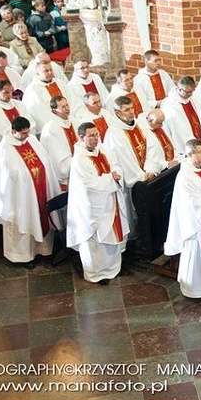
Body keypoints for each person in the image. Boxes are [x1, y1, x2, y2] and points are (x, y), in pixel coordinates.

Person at [0, 116, 61, 268]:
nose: (26, 135)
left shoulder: (31, 140)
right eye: (23, 133)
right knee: (24, 220)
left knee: (39, 214)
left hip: (38, 189)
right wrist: (26, 177)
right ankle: (22, 256)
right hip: (20, 197)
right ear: (13, 131)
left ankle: (43, 250)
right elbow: (9, 175)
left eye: (28, 132)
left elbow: (45, 161)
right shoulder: (5, 148)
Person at [67, 122, 128, 285]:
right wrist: (111, 178)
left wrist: (116, 174)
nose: (95, 139)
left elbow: (116, 166)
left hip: (110, 201)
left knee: (111, 236)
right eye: (91, 136)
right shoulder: (79, 160)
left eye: (97, 135)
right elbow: (88, 184)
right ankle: (96, 273)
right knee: (95, 241)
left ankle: (113, 267)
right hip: (92, 207)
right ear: (81, 137)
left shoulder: (103, 150)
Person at [164, 139, 201, 299]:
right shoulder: (185, 176)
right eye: (200, 152)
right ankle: (195, 290)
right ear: (190, 154)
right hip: (196, 224)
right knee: (196, 258)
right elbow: (192, 204)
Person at [102, 96, 163, 237]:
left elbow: (153, 147)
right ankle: (136, 239)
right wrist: (141, 176)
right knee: (133, 216)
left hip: (148, 175)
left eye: (132, 108)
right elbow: (123, 161)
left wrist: (151, 168)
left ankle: (148, 236)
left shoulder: (140, 125)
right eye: (126, 110)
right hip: (131, 183)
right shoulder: (114, 133)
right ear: (117, 113)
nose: (131, 112)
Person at [0, 79, 36, 148]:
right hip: (9, 146)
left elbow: (30, 122)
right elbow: (3, 130)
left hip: (27, 140)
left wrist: (26, 134)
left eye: (11, 92)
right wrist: (19, 136)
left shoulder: (18, 104)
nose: (10, 95)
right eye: (6, 92)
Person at [38, 96, 77, 191]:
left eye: (67, 105)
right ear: (55, 111)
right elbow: (58, 158)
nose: (67, 108)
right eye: (63, 107)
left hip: (76, 167)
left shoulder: (72, 120)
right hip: (64, 178)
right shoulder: (52, 128)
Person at [22, 60, 73, 132]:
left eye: (51, 70)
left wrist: (71, 119)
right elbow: (40, 114)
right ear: (37, 73)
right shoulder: (33, 90)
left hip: (69, 121)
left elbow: (71, 101)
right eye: (46, 71)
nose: (50, 72)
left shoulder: (60, 83)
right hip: (53, 127)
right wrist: (58, 125)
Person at [160, 75, 201, 149]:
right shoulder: (171, 104)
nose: (190, 94)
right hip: (184, 144)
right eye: (187, 92)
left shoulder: (192, 97)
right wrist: (194, 146)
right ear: (179, 89)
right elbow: (179, 129)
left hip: (198, 139)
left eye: (192, 91)